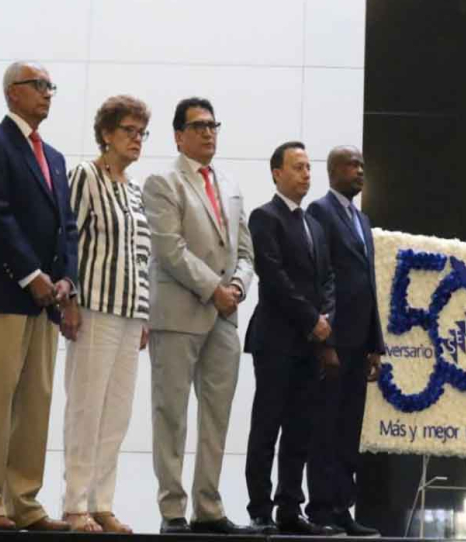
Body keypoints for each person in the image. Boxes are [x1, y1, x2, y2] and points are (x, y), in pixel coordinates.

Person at [0, 61, 79, 531]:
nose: (48, 93)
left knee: (35, 407)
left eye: (51, 86)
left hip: (48, 302)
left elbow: (67, 227)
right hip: (8, 294)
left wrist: (67, 280)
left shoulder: (54, 157)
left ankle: (24, 502)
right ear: (13, 92)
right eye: (39, 85)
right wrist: (31, 274)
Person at [142, 97, 254, 534]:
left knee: (217, 416)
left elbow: (245, 251)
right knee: (171, 414)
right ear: (178, 135)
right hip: (178, 313)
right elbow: (170, 249)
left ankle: (208, 507)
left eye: (213, 125)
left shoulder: (229, 183)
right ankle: (172, 510)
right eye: (199, 126)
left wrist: (238, 287)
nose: (208, 132)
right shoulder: (162, 182)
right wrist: (215, 290)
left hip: (224, 318)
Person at [62, 96, 152, 534]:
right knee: (87, 409)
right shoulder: (85, 175)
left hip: (130, 313)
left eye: (141, 133)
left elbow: (142, 256)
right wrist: (70, 300)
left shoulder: (134, 189)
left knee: (116, 414)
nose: (137, 140)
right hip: (94, 308)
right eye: (129, 131)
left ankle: (101, 503)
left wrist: (144, 312)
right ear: (106, 134)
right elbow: (68, 239)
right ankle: (74, 504)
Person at [243, 142, 342, 537]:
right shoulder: (264, 217)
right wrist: (311, 318)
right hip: (275, 339)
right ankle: (259, 509)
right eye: (297, 167)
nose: (306, 174)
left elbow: (328, 278)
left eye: (308, 167)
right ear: (276, 173)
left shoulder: (314, 224)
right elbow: (273, 277)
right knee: (267, 426)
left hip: (309, 343)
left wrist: (326, 318)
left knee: (300, 428)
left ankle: (289, 507)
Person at [306, 146, 384, 537]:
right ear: (334, 170)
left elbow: (368, 284)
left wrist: (375, 344)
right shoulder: (320, 211)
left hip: (359, 341)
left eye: (362, 166)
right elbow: (321, 276)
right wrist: (325, 342)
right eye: (353, 165)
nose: (360, 171)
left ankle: (342, 509)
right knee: (325, 427)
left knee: (350, 429)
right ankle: (320, 508)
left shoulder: (362, 219)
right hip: (334, 341)